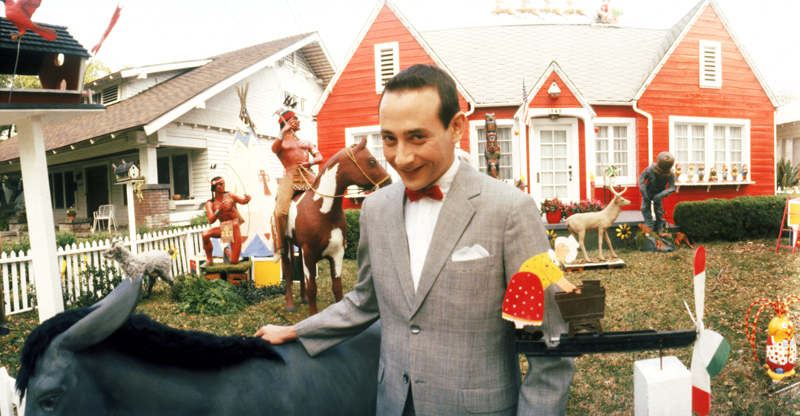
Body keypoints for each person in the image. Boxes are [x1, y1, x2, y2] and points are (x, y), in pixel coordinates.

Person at [256, 64, 575, 415]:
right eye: (390, 139)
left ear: (456, 127)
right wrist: (297, 332)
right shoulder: (375, 210)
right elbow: (365, 301)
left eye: (417, 137)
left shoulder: (512, 210)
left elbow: (552, 346)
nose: (402, 158)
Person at [271, 109, 323, 259]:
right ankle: (280, 247)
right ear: (287, 121)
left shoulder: (306, 142)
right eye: (295, 118)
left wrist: (309, 163)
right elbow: (274, 149)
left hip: (308, 174)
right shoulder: (280, 142)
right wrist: (284, 130)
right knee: (280, 212)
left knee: (328, 195)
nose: (298, 121)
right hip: (289, 176)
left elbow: (319, 157)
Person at [201, 176, 251, 265]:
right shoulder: (210, 203)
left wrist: (247, 198)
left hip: (234, 226)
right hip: (225, 227)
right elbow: (211, 220)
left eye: (224, 183)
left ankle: (227, 252)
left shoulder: (229, 195)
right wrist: (218, 210)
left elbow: (243, 201)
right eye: (220, 184)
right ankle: (209, 260)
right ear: (214, 187)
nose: (223, 185)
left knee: (234, 261)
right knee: (205, 234)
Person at [639, 151, 676, 234]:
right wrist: (644, 193)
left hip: (659, 194)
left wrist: (661, 195)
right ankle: (649, 227)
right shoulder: (650, 169)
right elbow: (641, 179)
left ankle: (660, 229)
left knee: (659, 212)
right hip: (647, 192)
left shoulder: (670, 174)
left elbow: (671, 188)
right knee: (644, 208)